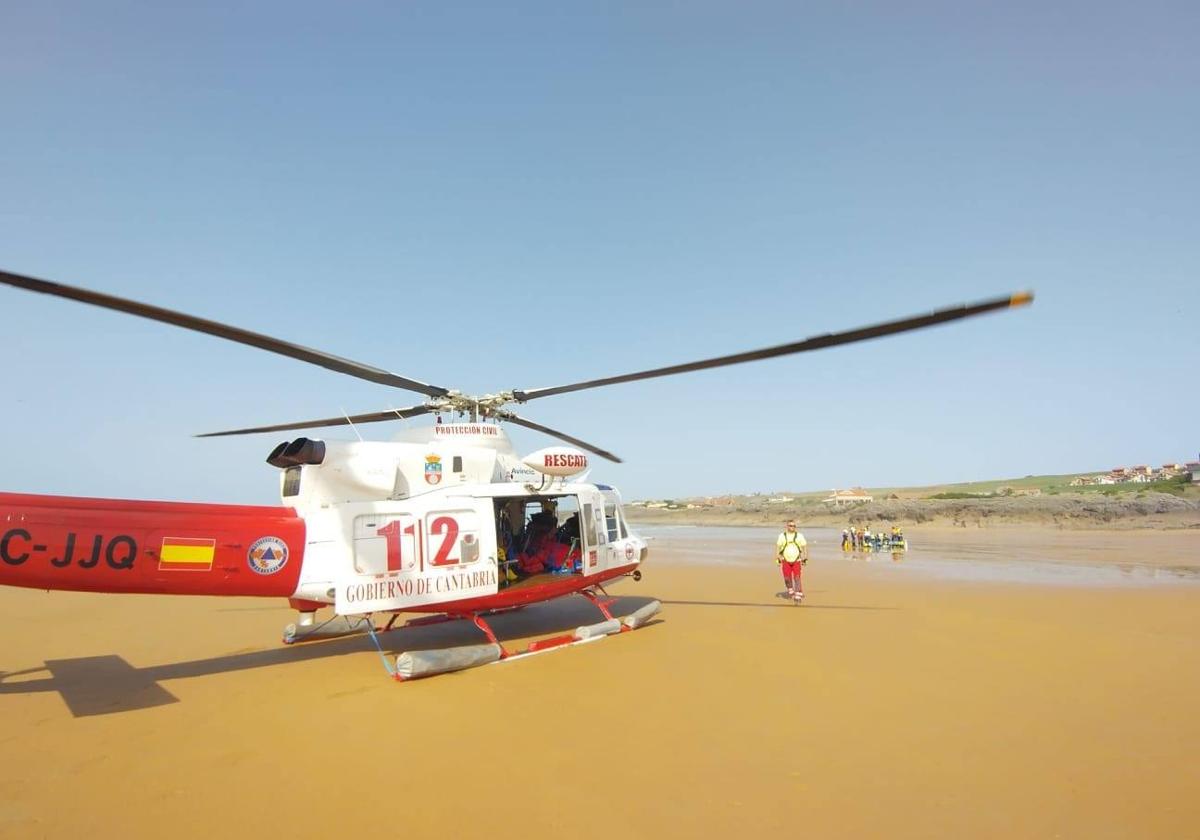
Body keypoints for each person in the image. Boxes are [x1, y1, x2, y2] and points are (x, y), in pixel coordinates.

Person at [775, 520, 808, 602]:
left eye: (793, 526)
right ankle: (790, 589)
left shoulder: (799, 536)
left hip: (797, 560)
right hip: (785, 560)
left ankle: (798, 593)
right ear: (787, 526)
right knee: (787, 578)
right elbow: (778, 547)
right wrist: (777, 558)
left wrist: (805, 557)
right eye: (790, 525)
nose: (792, 527)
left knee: (797, 577)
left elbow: (804, 546)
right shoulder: (782, 536)